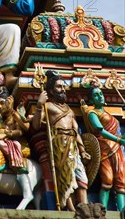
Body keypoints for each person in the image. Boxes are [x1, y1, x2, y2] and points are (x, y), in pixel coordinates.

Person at [32, 70, 91, 211]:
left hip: (73, 144)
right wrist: (39, 105)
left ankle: (83, 205)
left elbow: (76, 131)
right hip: (59, 143)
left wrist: (82, 150)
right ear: (51, 91)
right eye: (58, 87)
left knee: (82, 177)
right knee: (66, 176)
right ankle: (71, 209)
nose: (62, 89)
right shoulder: (48, 107)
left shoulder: (70, 110)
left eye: (63, 86)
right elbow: (35, 125)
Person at [82, 86, 125, 211]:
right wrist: (118, 139)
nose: (100, 96)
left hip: (116, 149)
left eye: (101, 93)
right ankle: (103, 210)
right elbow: (99, 129)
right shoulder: (92, 113)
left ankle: (122, 210)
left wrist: (121, 138)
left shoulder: (110, 116)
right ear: (91, 100)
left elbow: (118, 134)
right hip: (104, 149)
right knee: (107, 180)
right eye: (96, 95)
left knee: (121, 181)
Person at [0, 96, 30, 179]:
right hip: (1, 142)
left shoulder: (15, 116)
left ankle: (16, 164)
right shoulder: (1, 120)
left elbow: (21, 130)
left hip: (13, 141)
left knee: (16, 144)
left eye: (3, 103)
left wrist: (6, 133)